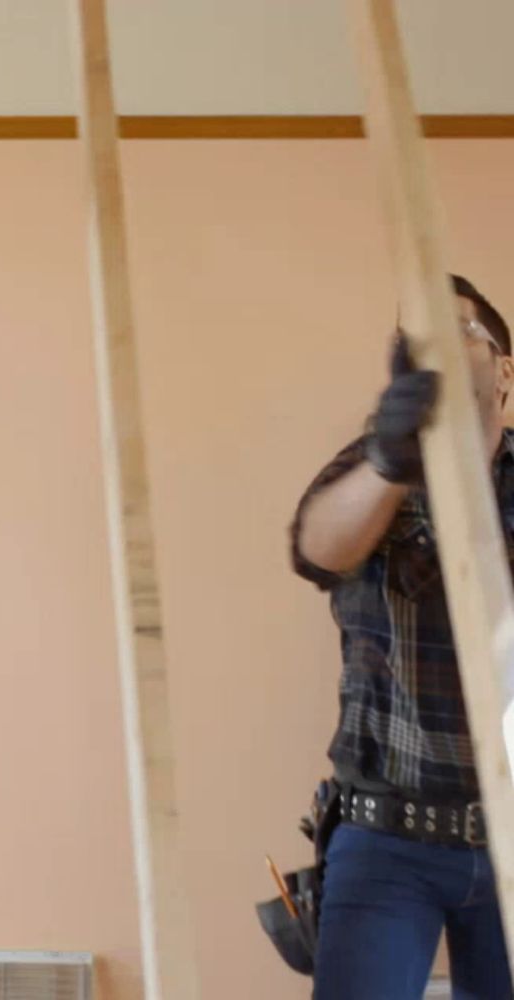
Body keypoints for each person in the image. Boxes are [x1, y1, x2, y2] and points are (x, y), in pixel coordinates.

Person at [291, 275, 514, 999]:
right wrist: (392, 460)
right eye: (414, 338)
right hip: (388, 835)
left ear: (504, 369)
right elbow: (317, 550)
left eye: (457, 331)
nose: (434, 351)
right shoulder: (373, 467)